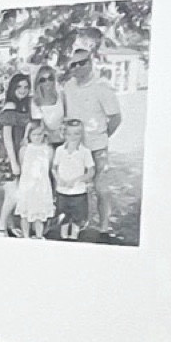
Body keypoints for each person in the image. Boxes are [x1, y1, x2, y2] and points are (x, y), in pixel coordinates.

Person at [62, 35, 123, 233]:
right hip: (74, 148)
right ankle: (80, 223)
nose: (78, 67)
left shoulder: (102, 86)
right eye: (74, 64)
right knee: (76, 189)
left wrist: (102, 138)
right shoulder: (68, 87)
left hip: (97, 149)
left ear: (91, 63)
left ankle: (104, 227)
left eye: (82, 63)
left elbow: (115, 118)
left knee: (101, 189)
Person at [53, 118, 96, 238]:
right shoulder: (60, 150)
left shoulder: (85, 152)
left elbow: (91, 171)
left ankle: (74, 238)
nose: (73, 137)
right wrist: (58, 179)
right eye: (69, 134)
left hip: (78, 192)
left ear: (82, 134)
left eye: (77, 133)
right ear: (64, 134)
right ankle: (64, 237)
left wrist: (77, 180)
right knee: (63, 217)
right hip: (62, 191)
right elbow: (54, 168)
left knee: (78, 218)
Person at [14, 122, 57, 236]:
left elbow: (50, 166)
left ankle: (39, 235)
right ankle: (26, 235)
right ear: (29, 136)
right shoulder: (25, 149)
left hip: (42, 185)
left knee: (39, 213)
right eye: (34, 135)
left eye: (40, 134)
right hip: (27, 185)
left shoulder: (48, 149)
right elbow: (23, 166)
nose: (37, 137)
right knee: (25, 213)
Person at [0, 71, 33, 179]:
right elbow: (7, 137)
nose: (23, 90)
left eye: (26, 87)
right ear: (13, 88)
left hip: (21, 150)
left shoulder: (24, 105)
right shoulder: (10, 106)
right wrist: (13, 163)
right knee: (12, 191)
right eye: (19, 87)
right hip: (11, 153)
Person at [30, 64, 67, 144]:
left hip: (65, 138)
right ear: (38, 82)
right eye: (43, 80)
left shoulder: (61, 95)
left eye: (50, 78)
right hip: (46, 142)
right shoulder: (35, 102)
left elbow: (67, 116)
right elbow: (38, 126)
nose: (47, 82)